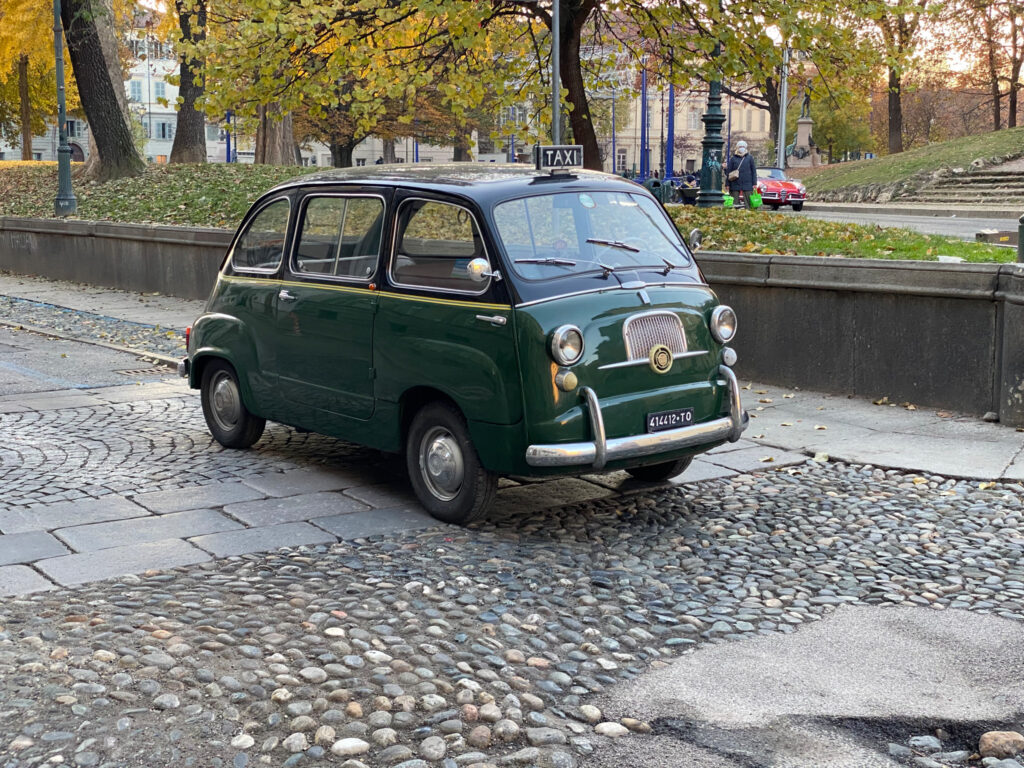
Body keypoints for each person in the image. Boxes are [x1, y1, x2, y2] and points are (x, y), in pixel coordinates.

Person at [725, 140, 757, 209]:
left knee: (748, 203)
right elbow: (729, 172)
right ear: (737, 147)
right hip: (735, 183)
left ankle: (749, 215)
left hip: (747, 183)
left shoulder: (750, 158)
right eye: (740, 146)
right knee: (734, 203)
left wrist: (754, 183)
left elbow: (754, 171)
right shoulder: (733, 159)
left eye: (743, 146)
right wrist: (727, 184)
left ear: (745, 147)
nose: (741, 148)